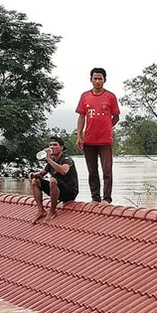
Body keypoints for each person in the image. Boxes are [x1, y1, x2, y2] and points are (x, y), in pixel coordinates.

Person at [75, 67, 120, 204]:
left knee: (107, 170)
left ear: (104, 80)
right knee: (92, 171)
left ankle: (107, 198)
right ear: (91, 80)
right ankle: (95, 197)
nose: (97, 81)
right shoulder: (85, 96)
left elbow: (116, 116)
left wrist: (107, 127)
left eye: (100, 78)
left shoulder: (110, 96)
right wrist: (79, 136)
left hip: (105, 140)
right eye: (95, 78)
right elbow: (81, 117)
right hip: (89, 139)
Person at [29, 137, 79, 222]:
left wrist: (48, 159)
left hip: (69, 191)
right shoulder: (52, 161)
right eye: (50, 145)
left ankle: (52, 211)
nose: (52, 147)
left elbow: (63, 171)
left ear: (61, 147)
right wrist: (34, 175)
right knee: (35, 181)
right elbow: (42, 173)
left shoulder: (67, 159)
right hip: (56, 188)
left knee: (52, 180)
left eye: (55, 145)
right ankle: (41, 210)